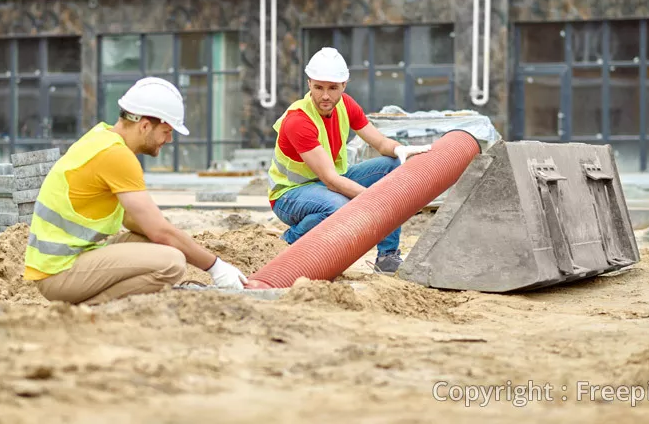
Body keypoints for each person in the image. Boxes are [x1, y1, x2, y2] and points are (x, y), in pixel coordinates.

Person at [23, 77, 248, 305]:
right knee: (171, 263)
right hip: (59, 273)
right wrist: (216, 267)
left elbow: (136, 222)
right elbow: (161, 232)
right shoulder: (116, 155)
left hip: (64, 262)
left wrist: (172, 236)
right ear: (144, 126)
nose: (169, 139)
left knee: (159, 244)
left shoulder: (101, 137)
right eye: (167, 131)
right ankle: (92, 307)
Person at [267, 47, 431, 274]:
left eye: (333, 88)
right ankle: (289, 240)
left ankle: (387, 258)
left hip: (327, 183)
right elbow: (332, 181)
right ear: (309, 84)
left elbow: (381, 144)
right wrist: (378, 200)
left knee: (393, 167)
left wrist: (400, 150)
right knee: (339, 207)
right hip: (290, 195)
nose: (325, 95)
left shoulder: (346, 105)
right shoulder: (298, 120)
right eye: (319, 87)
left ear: (344, 85)